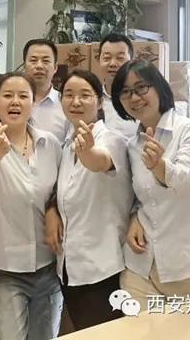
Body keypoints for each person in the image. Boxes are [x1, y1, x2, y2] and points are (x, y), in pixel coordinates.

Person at [113, 60, 190, 302]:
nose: (134, 98)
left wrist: (158, 166)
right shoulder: (132, 146)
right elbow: (140, 196)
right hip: (141, 266)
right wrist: (134, 216)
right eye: (125, 92)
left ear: (159, 87)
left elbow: (182, 179)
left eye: (141, 87)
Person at [0, 73, 63, 340]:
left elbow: (60, 190)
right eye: (7, 95)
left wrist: (53, 209)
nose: (15, 101)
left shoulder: (50, 143)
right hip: (6, 267)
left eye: (23, 96)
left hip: (48, 262)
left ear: (33, 103)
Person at [44, 70, 133, 331]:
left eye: (85, 95)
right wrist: (52, 210)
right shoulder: (66, 145)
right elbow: (63, 191)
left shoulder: (112, 140)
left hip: (102, 267)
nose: (76, 102)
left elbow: (99, 161)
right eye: (68, 95)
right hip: (68, 266)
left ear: (100, 101)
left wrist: (88, 153)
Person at [23, 39, 68, 144]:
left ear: (55, 67)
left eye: (46, 61)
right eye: (33, 60)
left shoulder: (66, 104)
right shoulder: (11, 102)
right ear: (24, 66)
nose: (39, 66)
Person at [94, 33, 139, 140]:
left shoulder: (141, 101)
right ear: (99, 61)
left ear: (132, 61)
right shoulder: (92, 100)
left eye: (120, 58)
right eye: (107, 58)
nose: (113, 64)